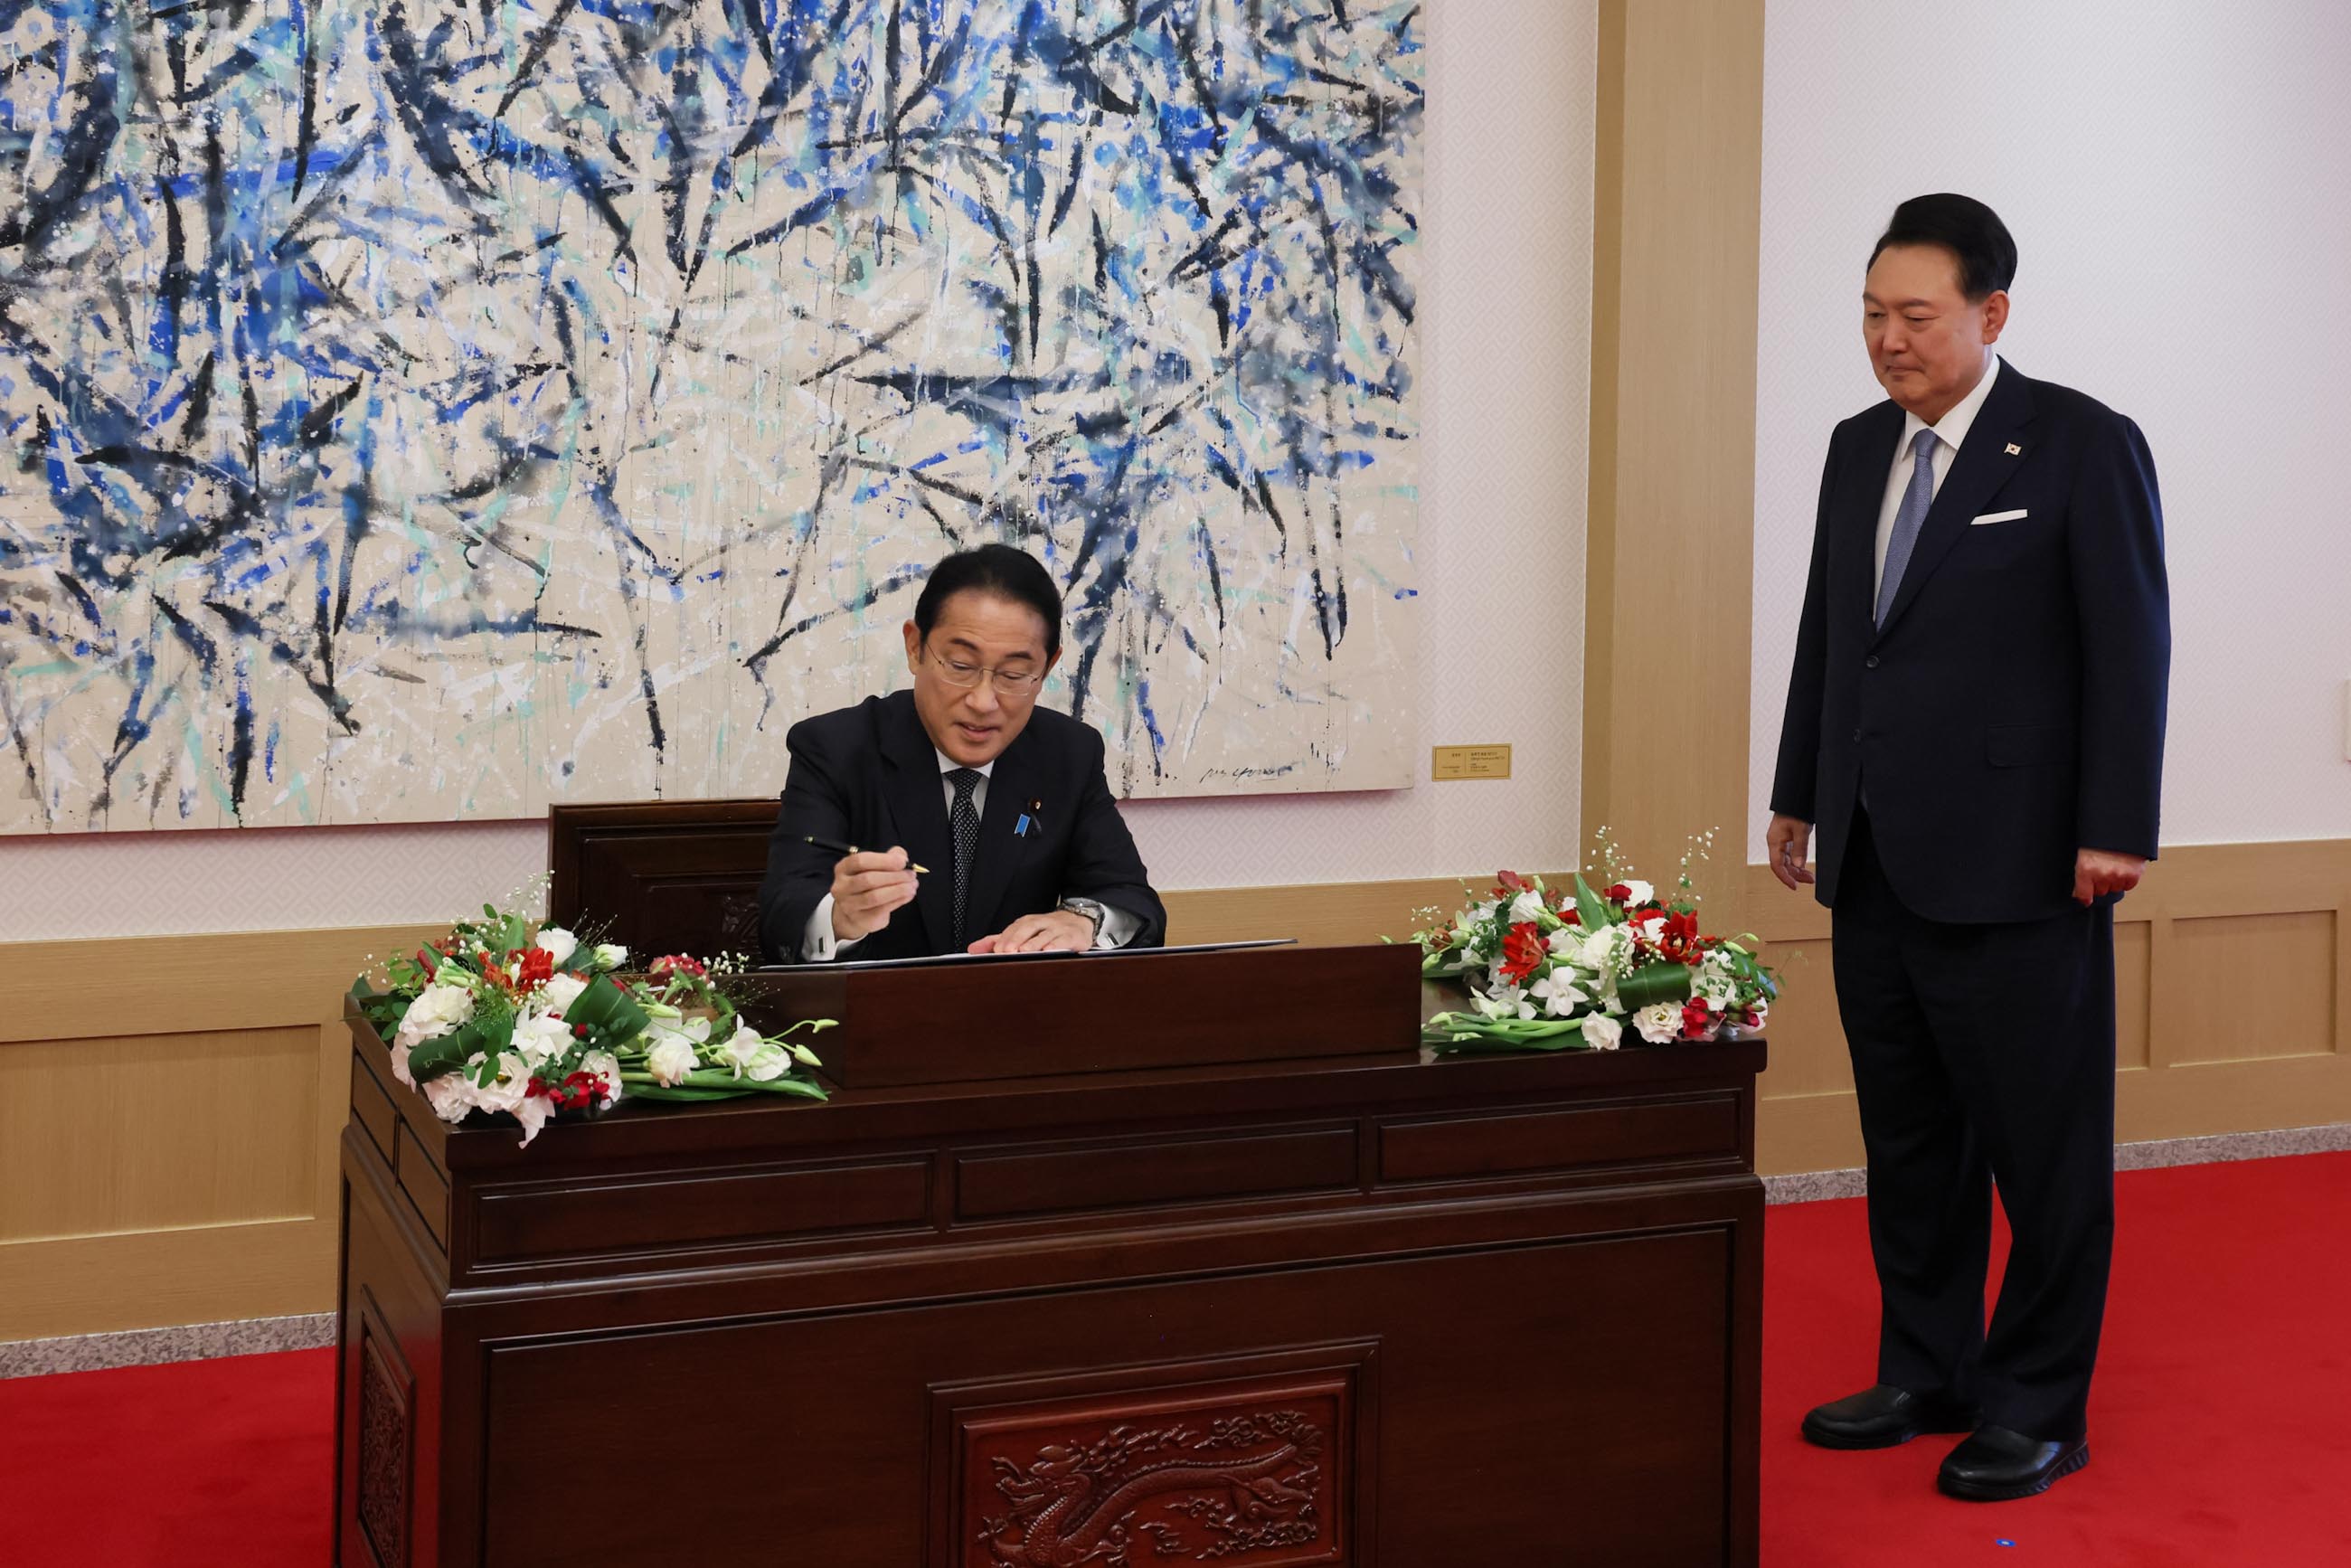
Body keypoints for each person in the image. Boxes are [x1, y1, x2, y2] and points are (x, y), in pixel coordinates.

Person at [1766, 194, 2169, 1502]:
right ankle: (1926, 1365)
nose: (1888, 338)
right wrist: (1800, 788)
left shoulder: (2078, 443)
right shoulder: (1850, 447)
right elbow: (1838, 631)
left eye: (1915, 315)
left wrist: (2117, 822)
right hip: (1875, 856)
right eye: (1873, 314)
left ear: (1992, 313)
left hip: (2025, 861)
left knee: (2041, 1149)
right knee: (1912, 1138)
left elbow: (2131, 643)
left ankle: (2039, 1400)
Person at [759, 543, 1166, 963]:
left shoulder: (1067, 754)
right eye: (960, 666)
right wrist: (840, 918)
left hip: (1016, 1017)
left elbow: (1133, 901)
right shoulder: (835, 748)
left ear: (1046, 669)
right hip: (876, 1016)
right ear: (915, 647)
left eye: (1013, 674)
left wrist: (1086, 921)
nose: (984, 701)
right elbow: (782, 917)